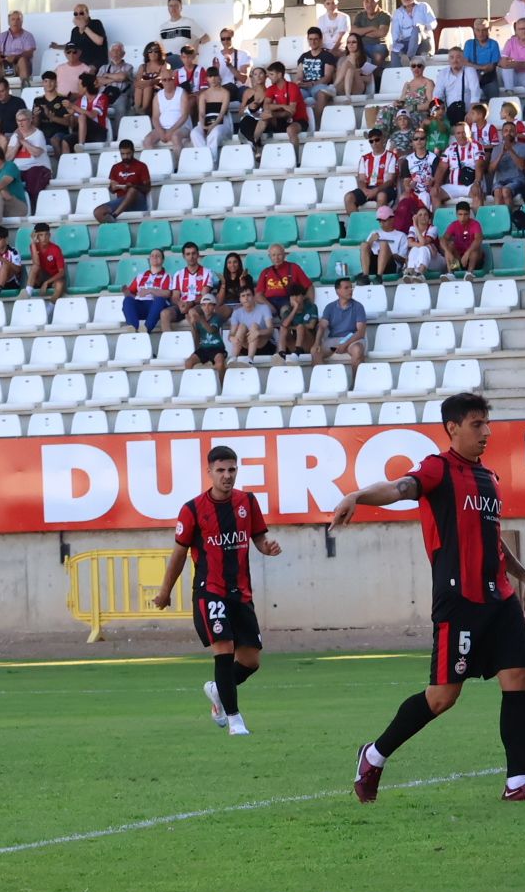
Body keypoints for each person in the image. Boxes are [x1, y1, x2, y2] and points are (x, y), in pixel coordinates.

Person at [333, 392, 525, 805]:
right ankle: (374, 755)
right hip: (460, 600)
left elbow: (489, 539)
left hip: (500, 597)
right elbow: (400, 487)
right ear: (453, 428)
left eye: (487, 423)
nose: (486, 431)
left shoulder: (489, 478)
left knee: (518, 679)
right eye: (477, 424)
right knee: (442, 697)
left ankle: (518, 781)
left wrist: (522, 575)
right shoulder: (438, 469)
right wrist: (359, 496)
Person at [145, 444, 282, 735]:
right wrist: (165, 591)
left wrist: (266, 547)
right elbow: (179, 554)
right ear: (209, 472)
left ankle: (218, 692)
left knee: (251, 661)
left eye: (231, 469)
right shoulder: (192, 509)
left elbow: (258, 536)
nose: (227, 476)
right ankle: (235, 720)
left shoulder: (247, 501)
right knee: (224, 649)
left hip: (241, 592)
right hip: (210, 591)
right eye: (220, 470)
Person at [313, 275, 371, 373]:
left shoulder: (358, 306)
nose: (350, 290)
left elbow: (360, 332)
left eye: (351, 287)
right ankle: (325, 383)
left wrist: (345, 343)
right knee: (315, 352)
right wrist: (316, 342)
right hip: (334, 339)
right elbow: (322, 326)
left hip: (353, 339)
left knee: (357, 350)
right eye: (346, 288)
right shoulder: (330, 307)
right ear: (337, 291)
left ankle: (355, 384)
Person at [96, 139, 152, 221]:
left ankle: (114, 215)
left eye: (128, 153)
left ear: (133, 152)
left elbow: (147, 188)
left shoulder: (142, 166)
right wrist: (113, 187)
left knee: (132, 190)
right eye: (123, 154)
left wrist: (133, 186)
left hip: (138, 202)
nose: (125, 156)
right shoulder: (115, 167)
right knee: (98, 212)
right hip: (121, 201)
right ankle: (112, 228)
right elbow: (111, 190)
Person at [0, 10, 39, 82]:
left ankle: (24, 88)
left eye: (18, 19)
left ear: (22, 22)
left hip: (19, 66)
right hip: (3, 65)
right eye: (13, 19)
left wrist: (16, 57)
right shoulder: (1, 36)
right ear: (9, 22)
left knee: (22, 60)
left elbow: (29, 53)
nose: (15, 22)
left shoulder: (28, 36)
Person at [26, 221, 67, 300]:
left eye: (46, 234)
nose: (44, 238)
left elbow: (61, 272)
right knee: (35, 267)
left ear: (49, 235)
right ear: (36, 236)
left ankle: (50, 309)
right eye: (41, 235)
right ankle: (27, 295)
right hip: (40, 277)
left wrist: (47, 282)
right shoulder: (33, 246)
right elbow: (36, 263)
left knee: (60, 284)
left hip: (53, 278)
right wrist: (33, 243)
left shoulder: (55, 249)